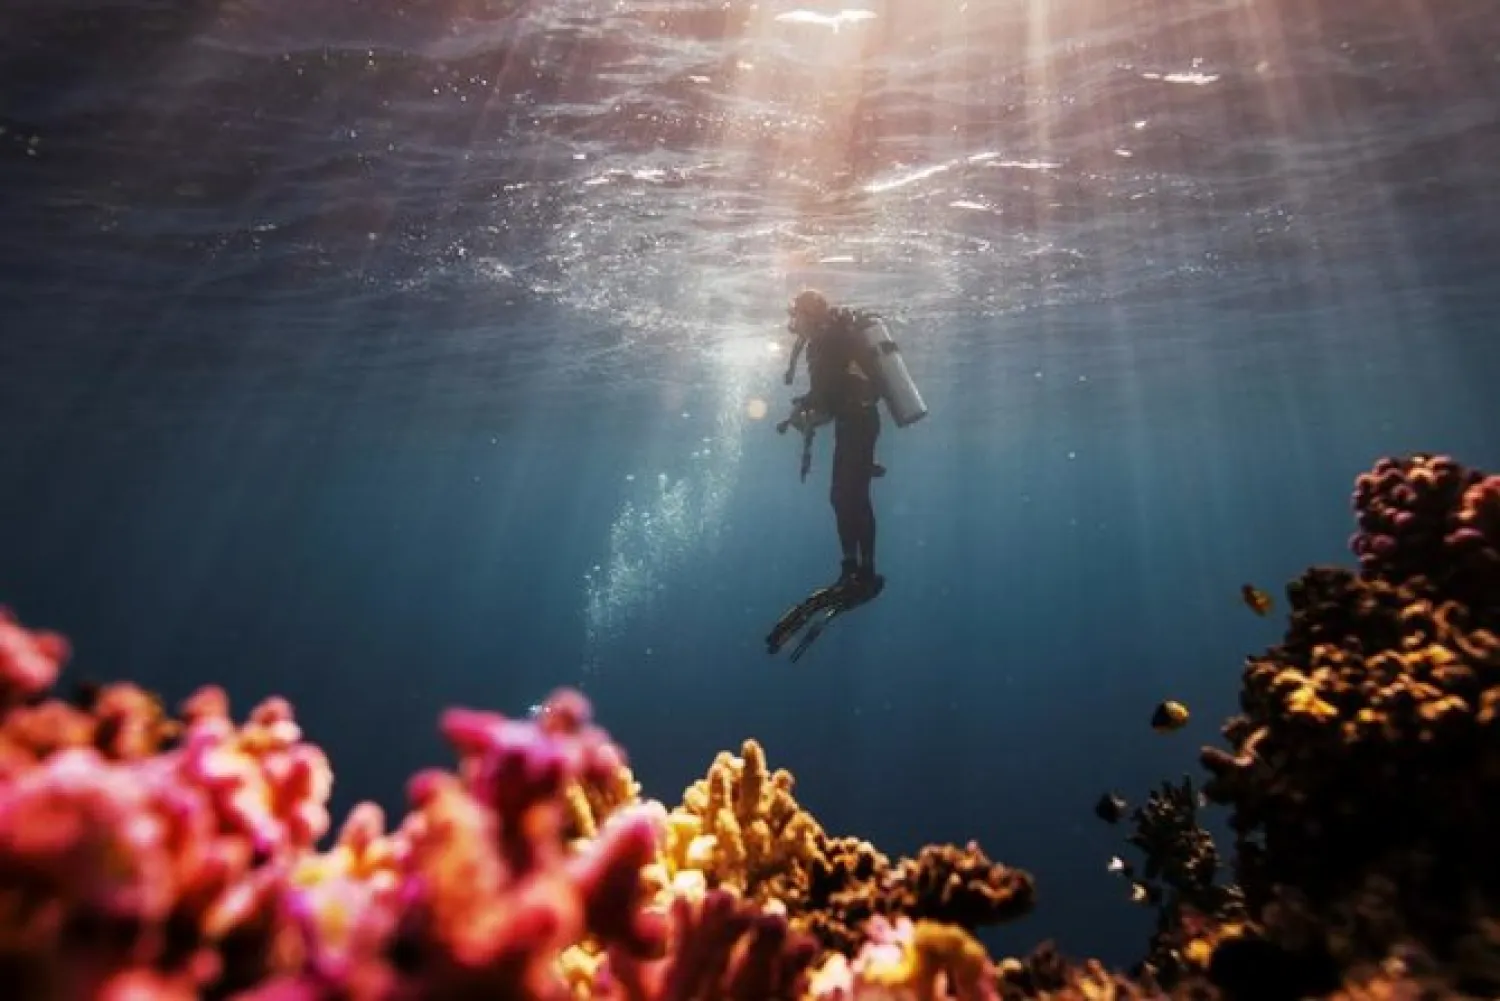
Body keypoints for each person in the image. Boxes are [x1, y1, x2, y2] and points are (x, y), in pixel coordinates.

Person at [767, 288, 927, 660]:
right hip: (859, 422)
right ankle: (855, 569)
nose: (794, 325)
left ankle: (860, 572)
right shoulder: (832, 338)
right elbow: (831, 392)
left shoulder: (823, 343)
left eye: (797, 317)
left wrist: (803, 418)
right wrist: (805, 410)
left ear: (809, 315)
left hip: (856, 425)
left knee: (848, 497)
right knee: (847, 496)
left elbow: (825, 402)